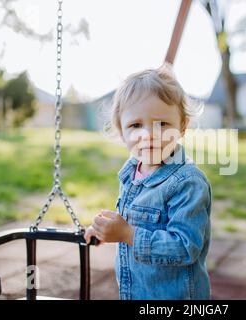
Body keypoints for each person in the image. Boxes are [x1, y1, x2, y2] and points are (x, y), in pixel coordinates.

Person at [84, 64, 212, 299]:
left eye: (162, 124)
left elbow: (185, 247)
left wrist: (127, 234)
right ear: (122, 131)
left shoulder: (188, 183)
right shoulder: (131, 172)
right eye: (135, 125)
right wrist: (107, 230)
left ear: (182, 127)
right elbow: (133, 220)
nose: (148, 134)